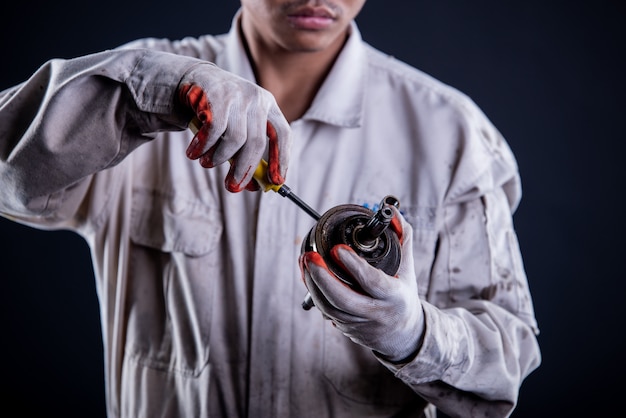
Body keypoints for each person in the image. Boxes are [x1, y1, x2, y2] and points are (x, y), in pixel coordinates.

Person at [0, 0, 541, 417]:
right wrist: (154, 92)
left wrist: (414, 336)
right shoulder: (132, 95)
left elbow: (505, 369)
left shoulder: (449, 134)